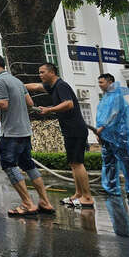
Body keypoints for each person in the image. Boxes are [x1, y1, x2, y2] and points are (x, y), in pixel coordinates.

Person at [0, 54, 55, 216]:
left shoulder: (0, 81)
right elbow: (30, 103)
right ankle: (45, 202)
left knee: (8, 165)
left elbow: (3, 104)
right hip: (24, 131)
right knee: (28, 165)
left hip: (12, 133)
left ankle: (28, 203)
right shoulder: (17, 81)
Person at [26, 63, 94, 208]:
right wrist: (19, 86)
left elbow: (69, 104)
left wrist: (49, 110)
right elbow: (36, 86)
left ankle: (87, 197)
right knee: (73, 163)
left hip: (76, 129)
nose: (40, 75)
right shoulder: (52, 86)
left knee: (78, 162)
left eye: (42, 72)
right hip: (69, 129)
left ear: (52, 72)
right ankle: (78, 194)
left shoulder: (61, 85)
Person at [96, 73, 129, 200]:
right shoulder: (106, 97)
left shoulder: (116, 96)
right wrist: (99, 132)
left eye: (101, 82)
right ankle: (110, 188)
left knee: (126, 162)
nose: (99, 85)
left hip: (118, 135)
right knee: (108, 162)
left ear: (110, 82)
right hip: (106, 135)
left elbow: (114, 114)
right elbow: (101, 116)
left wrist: (101, 128)